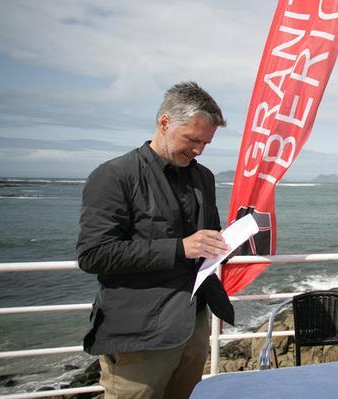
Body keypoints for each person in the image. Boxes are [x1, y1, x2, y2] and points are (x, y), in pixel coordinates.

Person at [76, 82, 235, 399]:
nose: (199, 150)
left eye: (206, 143)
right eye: (192, 139)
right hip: (140, 333)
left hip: (193, 324)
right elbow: (93, 254)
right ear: (164, 123)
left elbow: (207, 236)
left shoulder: (203, 176)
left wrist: (227, 243)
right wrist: (180, 248)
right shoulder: (114, 176)